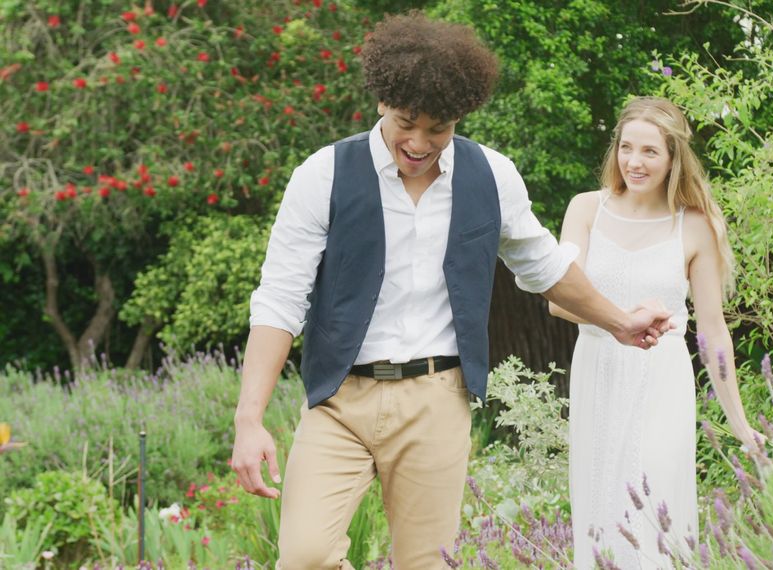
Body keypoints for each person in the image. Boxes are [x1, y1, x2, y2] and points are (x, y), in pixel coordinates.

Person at [230, 13, 673, 570]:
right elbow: (279, 300)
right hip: (340, 401)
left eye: (437, 129)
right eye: (405, 123)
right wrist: (250, 420)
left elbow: (544, 266)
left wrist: (618, 321)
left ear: (460, 117)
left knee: (427, 563)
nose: (418, 143)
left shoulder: (492, 176)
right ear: (381, 105)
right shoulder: (323, 175)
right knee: (305, 556)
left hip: (438, 398)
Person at [550, 96, 762, 568]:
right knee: (602, 510)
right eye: (627, 148)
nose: (635, 162)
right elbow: (558, 297)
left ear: (672, 158)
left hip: (661, 382)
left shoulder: (696, 227)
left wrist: (740, 426)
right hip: (598, 373)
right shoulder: (586, 209)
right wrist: (625, 317)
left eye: (650, 152)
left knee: (653, 509)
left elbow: (713, 332)